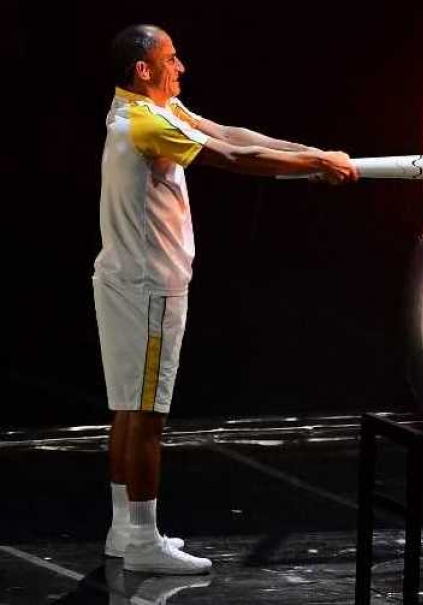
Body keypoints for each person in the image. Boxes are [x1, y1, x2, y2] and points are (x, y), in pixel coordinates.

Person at [93, 23, 358, 575]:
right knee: (146, 415)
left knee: (129, 408)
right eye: (171, 58)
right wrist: (314, 164)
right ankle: (142, 539)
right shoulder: (146, 124)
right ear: (143, 70)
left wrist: (314, 152)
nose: (181, 67)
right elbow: (234, 159)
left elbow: (232, 133)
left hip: (125, 281)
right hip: (148, 290)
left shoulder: (145, 112)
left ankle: (125, 529)